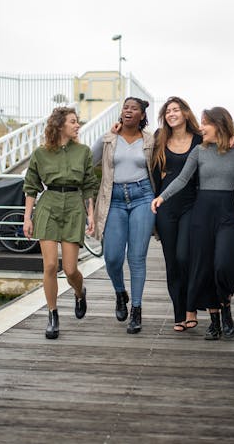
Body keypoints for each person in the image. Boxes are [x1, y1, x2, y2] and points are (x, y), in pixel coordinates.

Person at [152, 106, 234, 341]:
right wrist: (162, 197)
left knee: (224, 264)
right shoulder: (199, 151)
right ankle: (215, 321)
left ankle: (226, 305)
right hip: (202, 213)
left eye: (206, 123)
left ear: (220, 125)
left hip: (227, 213)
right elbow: (183, 178)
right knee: (203, 267)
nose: (201, 127)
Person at [23, 107, 99, 340]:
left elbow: (88, 185)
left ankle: (79, 292)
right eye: (73, 122)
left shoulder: (84, 152)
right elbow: (31, 186)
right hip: (48, 206)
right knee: (49, 267)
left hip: (74, 207)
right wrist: (27, 217)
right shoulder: (40, 153)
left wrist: (91, 215)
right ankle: (52, 315)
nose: (78, 125)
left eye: (77, 122)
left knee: (70, 269)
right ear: (60, 125)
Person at [92, 96, 156, 334]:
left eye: (134, 108)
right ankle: (120, 292)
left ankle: (136, 310)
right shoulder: (110, 139)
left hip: (143, 197)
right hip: (114, 200)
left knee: (137, 257)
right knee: (112, 257)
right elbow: (88, 161)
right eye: (126, 107)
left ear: (142, 115)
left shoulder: (150, 140)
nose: (129, 111)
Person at [151, 96, 203, 332]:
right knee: (172, 262)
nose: (172, 114)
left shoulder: (200, 139)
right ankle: (179, 314)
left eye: (176, 110)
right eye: (168, 111)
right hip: (166, 206)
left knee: (185, 256)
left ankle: (191, 307)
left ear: (185, 113)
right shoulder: (159, 139)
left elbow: (224, 139)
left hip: (191, 204)